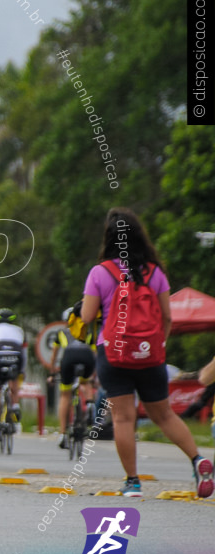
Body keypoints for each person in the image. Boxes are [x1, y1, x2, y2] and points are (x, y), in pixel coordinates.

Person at [80, 208, 213, 498]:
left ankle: (133, 482)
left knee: (124, 419)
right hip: (151, 354)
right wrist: (157, 347)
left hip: (113, 354)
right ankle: (197, 459)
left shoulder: (100, 272)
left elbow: (88, 316)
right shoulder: (155, 273)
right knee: (164, 415)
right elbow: (167, 317)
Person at [48, 312, 97, 450]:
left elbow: (54, 356)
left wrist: (52, 373)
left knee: (65, 395)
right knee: (85, 382)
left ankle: (63, 433)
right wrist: (94, 374)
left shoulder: (62, 333)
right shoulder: (88, 332)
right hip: (86, 357)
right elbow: (94, 354)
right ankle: (90, 404)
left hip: (69, 358)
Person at [0, 308, 27, 442]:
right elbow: (24, 351)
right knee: (13, 379)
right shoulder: (19, 330)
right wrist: (22, 371)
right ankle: (15, 405)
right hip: (16, 355)